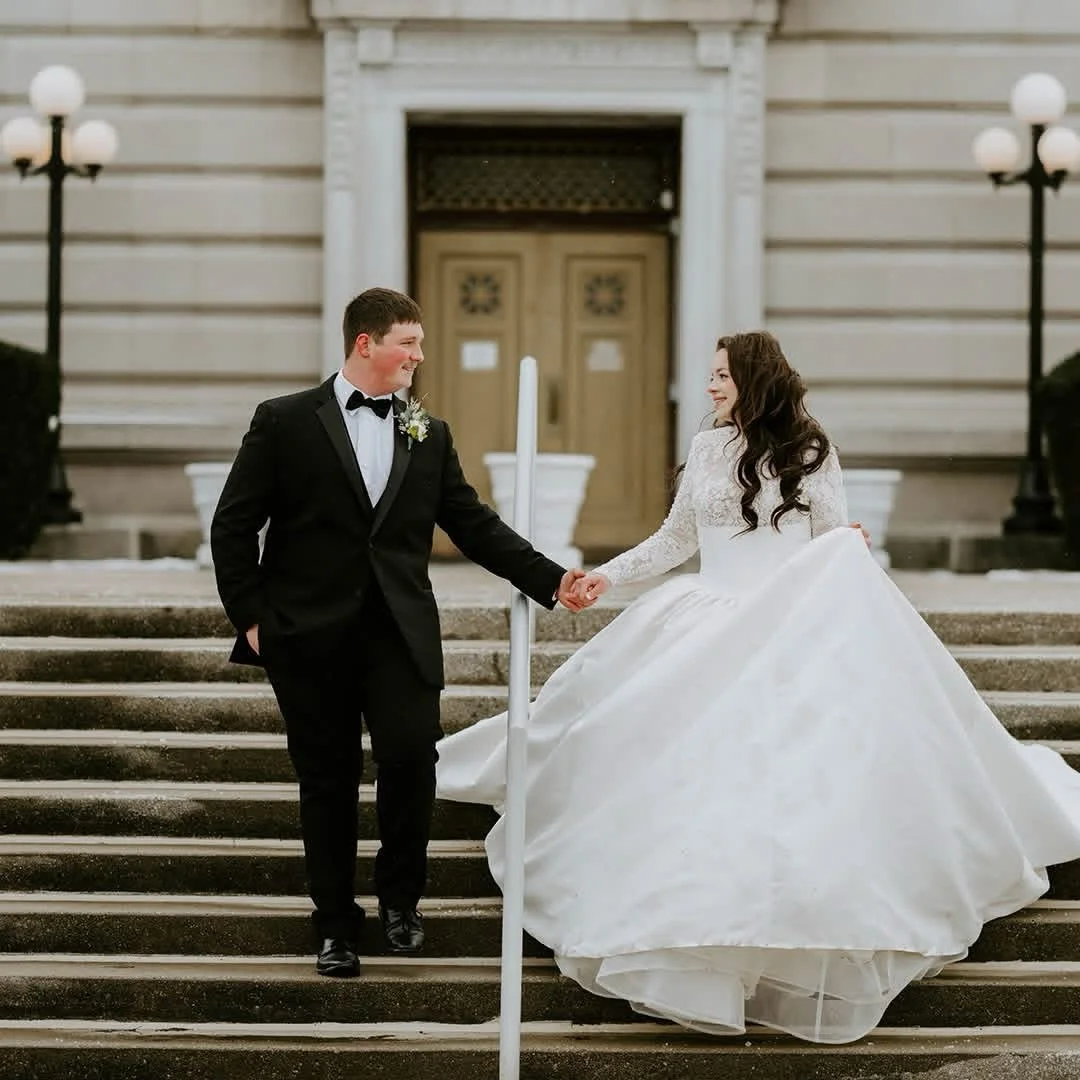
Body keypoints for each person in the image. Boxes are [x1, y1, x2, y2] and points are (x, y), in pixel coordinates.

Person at [436, 329, 1080, 1043]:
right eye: (709, 374)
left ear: (754, 378)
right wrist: (606, 575)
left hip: (787, 626)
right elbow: (676, 538)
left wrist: (850, 545)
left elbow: (834, 543)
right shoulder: (710, 447)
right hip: (703, 612)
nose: (710, 385)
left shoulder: (810, 449)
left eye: (720, 375)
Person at [210, 287, 588, 978]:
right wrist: (254, 620)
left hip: (400, 637)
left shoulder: (427, 430)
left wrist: (552, 579)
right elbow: (234, 526)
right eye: (408, 343)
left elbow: (472, 524)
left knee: (412, 764)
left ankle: (400, 901)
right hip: (307, 638)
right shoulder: (284, 421)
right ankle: (334, 926)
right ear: (366, 344)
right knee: (326, 781)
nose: (419, 355)